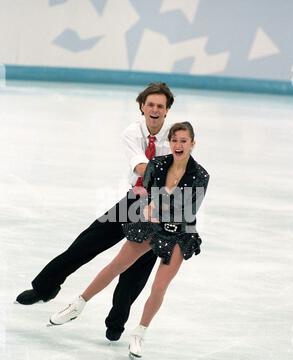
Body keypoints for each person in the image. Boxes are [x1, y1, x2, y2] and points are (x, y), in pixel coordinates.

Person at [16, 82, 175, 342]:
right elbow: (141, 168)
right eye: (150, 105)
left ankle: (117, 321)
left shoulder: (175, 136)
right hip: (134, 200)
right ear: (142, 107)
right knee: (86, 243)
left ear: (167, 110)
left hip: (160, 208)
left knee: (137, 267)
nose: (155, 110)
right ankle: (44, 287)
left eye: (160, 106)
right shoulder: (132, 132)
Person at [48, 122, 210, 358]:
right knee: (117, 264)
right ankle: (78, 304)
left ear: (192, 144)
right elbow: (146, 195)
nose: (178, 145)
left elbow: (187, 210)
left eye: (184, 141)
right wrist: (153, 206)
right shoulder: (158, 164)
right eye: (175, 140)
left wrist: (158, 206)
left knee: (159, 286)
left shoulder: (200, 175)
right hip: (151, 224)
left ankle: (139, 334)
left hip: (180, 233)